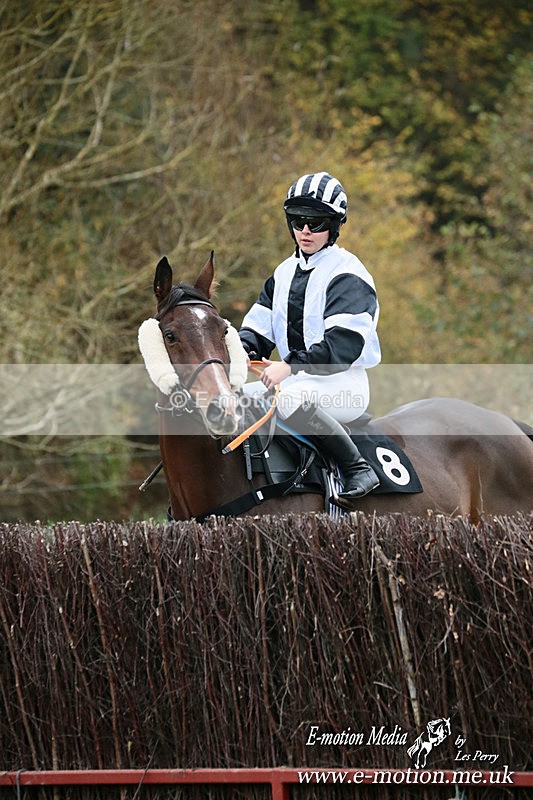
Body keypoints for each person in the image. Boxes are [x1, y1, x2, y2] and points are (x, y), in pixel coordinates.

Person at [238, 171, 381, 509]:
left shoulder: (348, 274)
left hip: (342, 382)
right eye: (297, 220)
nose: (305, 230)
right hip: (294, 380)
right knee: (236, 398)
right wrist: (241, 349)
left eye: (316, 223)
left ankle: (358, 469)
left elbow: (342, 347)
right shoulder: (282, 273)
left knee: (290, 398)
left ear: (334, 226)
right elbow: (257, 330)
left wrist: (289, 366)